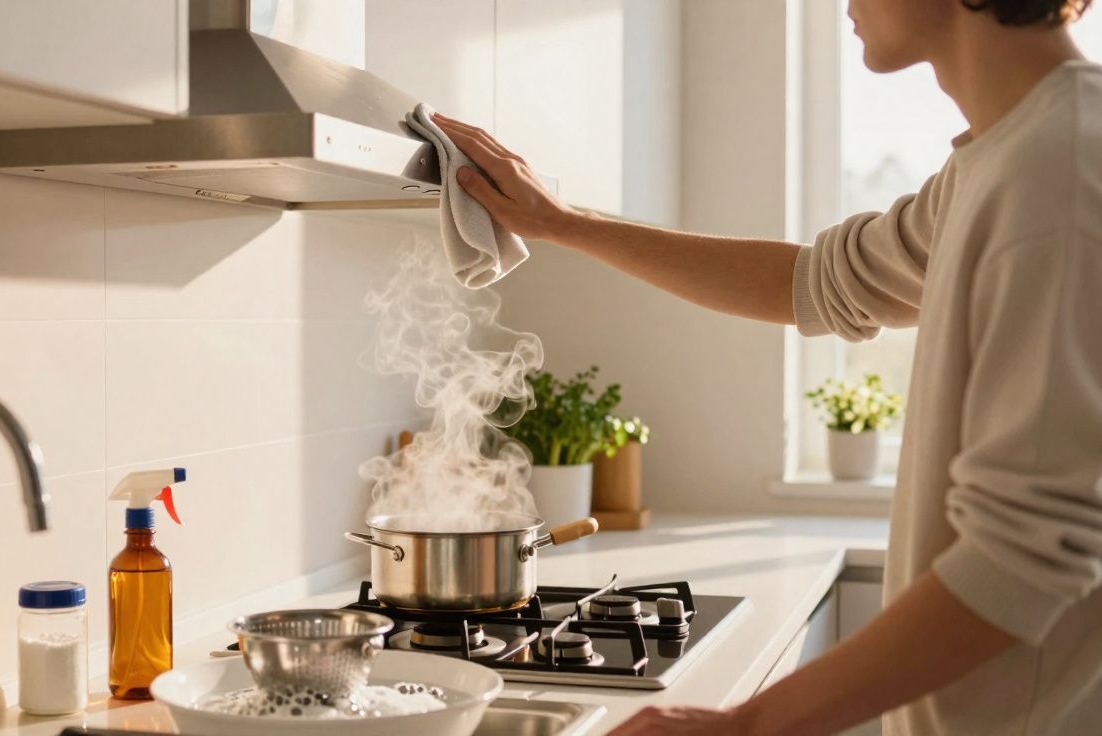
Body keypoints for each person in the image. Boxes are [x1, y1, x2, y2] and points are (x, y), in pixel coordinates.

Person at [433, 0, 1102, 734]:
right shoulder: (1008, 156)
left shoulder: (1061, 169)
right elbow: (815, 282)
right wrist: (563, 222)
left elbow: (1023, 564)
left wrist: (745, 726)